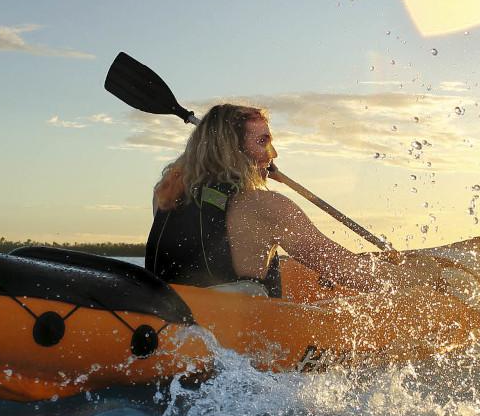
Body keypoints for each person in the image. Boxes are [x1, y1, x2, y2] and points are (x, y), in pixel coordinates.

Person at [144, 103, 425, 298]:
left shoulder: (166, 196)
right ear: (233, 151)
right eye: (263, 141)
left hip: (172, 320)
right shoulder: (266, 207)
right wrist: (419, 282)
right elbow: (345, 270)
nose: (273, 153)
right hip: (240, 343)